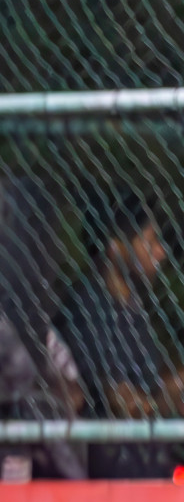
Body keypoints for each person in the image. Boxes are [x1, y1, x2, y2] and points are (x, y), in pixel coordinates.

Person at [56, 194, 176, 478]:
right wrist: (164, 400)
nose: (160, 252)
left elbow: (155, 385)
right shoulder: (87, 306)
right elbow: (121, 400)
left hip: (146, 457)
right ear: (115, 247)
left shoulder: (134, 306)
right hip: (111, 464)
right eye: (150, 241)